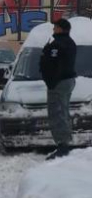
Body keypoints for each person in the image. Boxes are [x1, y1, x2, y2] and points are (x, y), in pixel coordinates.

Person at [40, 18, 77, 160]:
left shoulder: (59, 44)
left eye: (55, 27)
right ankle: (65, 142)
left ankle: (63, 146)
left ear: (61, 28)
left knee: (57, 113)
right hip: (66, 81)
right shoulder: (69, 42)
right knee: (63, 111)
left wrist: (51, 81)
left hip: (58, 83)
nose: (53, 29)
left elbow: (55, 65)